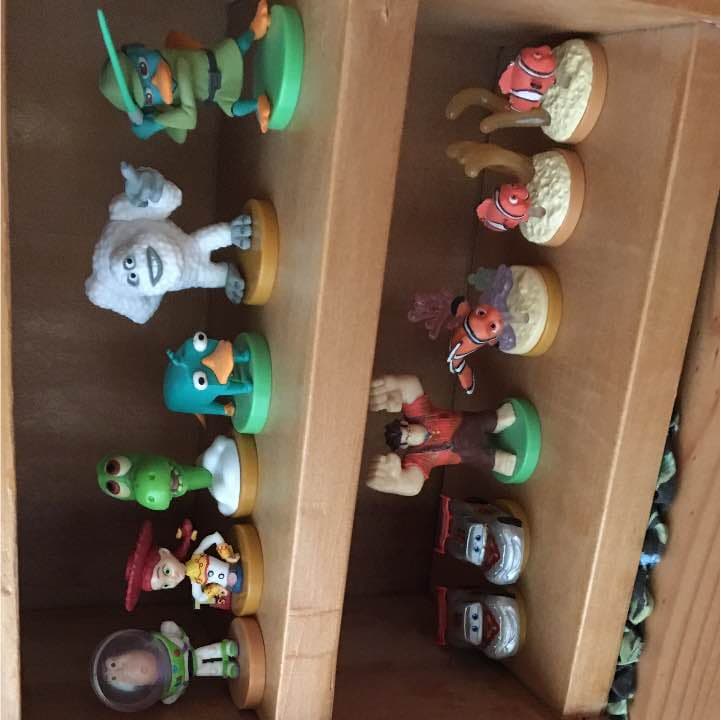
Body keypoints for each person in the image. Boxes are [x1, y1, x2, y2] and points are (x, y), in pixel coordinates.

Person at [367, 374, 518, 496]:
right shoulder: (418, 457)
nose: (413, 435)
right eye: (407, 438)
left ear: (405, 423)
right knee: (480, 457)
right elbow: (414, 484)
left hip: (465, 423)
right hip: (462, 453)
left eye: (409, 430)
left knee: (481, 421)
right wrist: (398, 482)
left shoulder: (420, 414)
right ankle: (498, 462)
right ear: (404, 446)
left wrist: (394, 385)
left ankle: (498, 420)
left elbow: (412, 386)